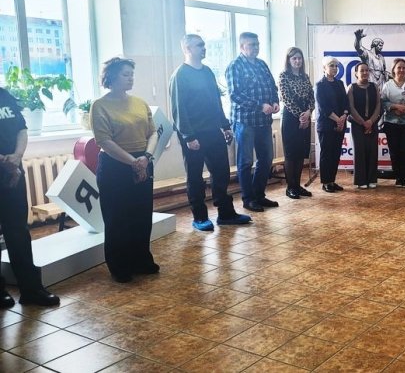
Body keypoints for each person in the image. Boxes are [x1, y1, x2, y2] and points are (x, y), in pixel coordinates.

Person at [169, 34, 251, 231]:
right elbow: (179, 110)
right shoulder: (180, 75)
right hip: (193, 135)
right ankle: (200, 217)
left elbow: (216, 102)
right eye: (199, 45)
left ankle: (226, 214)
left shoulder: (207, 72)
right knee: (195, 177)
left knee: (221, 172)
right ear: (187, 49)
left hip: (213, 131)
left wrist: (225, 126)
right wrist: (189, 137)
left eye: (204, 45)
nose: (204, 48)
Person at [91, 57, 160, 283]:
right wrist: (133, 162)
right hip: (115, 166)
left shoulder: (140, 103)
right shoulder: (100, 105)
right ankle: (120, 265)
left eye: (132, 74)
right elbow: (104, 141)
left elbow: (153, 132)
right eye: (125, 74)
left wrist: (146, 158)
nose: (131, 78)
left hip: (143, 160)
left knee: (141, 215)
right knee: (117, 217)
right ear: (111, 77)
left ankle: (141, 260)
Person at [0, 88, 60, 308]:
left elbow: (21, 129)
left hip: (13, 173)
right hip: (8, 168)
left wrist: (16, 158)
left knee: (18, 233)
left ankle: (31, 289)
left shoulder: (4, 95)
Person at [226, 32, 280, 212]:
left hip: (264, 121)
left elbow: (272, 86)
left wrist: (275, 101)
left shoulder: (262, 64)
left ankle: (259, 195)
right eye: (251, 45)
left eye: (257, 44)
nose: (256, 48)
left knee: (266, 159)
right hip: (245, 122)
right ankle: (248, 199)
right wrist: (260, 106)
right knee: (246, 162)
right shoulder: (235, 66)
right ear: (242, 47)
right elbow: (235, 95)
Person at [279, 47, 315, 199]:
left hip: (305, 116)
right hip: (290, 119)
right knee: (291, 154)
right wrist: (301, 116)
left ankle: (297, 186)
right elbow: (286, 99)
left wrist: (308, 112)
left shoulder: (305, 77)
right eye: (294, 58)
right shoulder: (284, 76)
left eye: (299, 58)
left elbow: (312, 97)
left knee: (300, 154)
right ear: (289, 60)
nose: (297, 61)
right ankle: (290, 187)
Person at [381, 58, 405, 188]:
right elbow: (383, 102)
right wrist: (395, 107)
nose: (401, 70)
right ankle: (398, 178)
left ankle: (404, 178)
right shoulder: (387, 85)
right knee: (394, 151)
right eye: (399, 67)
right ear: (394, 69)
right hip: (391, 123)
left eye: (404, 68)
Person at [315, 56, 348, 193]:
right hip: (326, 125)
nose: (334, 68)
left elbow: (345, 102)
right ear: (324, 68)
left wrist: (344, 116)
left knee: (335, 154)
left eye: (336, 66)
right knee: (326, 154)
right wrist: (338, 119)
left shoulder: (340, 83)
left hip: (340, 123)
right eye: (331, 65)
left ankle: (332, 181)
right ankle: (326, 182)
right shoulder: (320, 85)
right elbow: (323, 107)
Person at [347, 62, 381, 189]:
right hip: (357, 125)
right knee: (360, 151)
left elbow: (378, 105)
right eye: (362, 70)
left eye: (367, 70)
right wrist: (363, 122)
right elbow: (351, 108)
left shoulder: (374, 86)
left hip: (373, 124)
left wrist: (371, 121)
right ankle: (361, 180)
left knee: (372, 151)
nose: (365, 73)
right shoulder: (352, 87)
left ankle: (372, 179)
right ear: (356, 73)